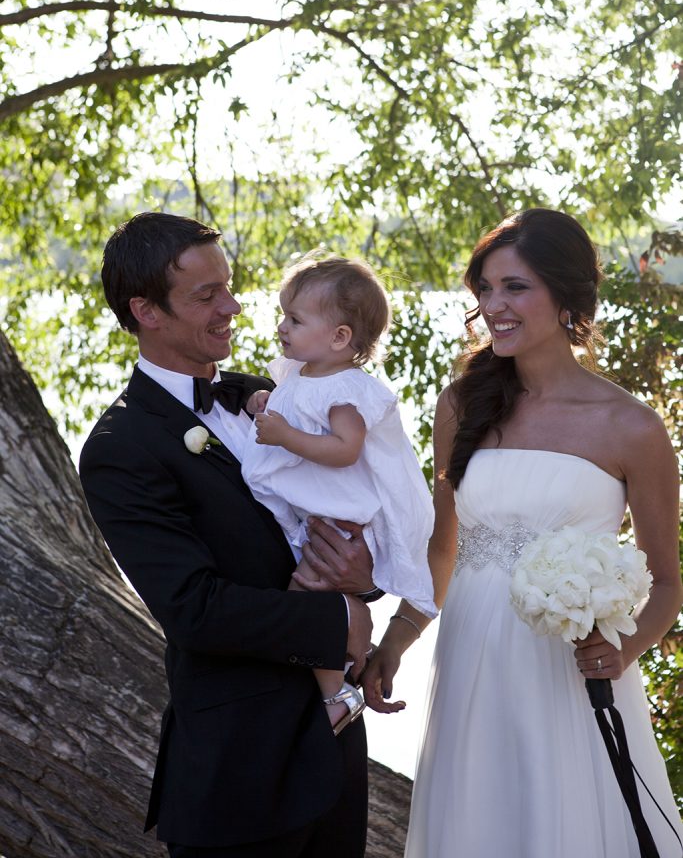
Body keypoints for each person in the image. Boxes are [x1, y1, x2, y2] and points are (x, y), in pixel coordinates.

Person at [362, 208, 683, 858]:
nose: (493, 306)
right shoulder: (460, 406)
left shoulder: (632, 428)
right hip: (469, 661)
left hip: (568, 671)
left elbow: (667, 583)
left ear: (566, 297)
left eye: (514, 287)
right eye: (484, 289)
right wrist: (396, 638)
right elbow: (444, 548)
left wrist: (623, 651)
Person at [79, 212, 378, 858]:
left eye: (230, 287)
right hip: (238, 774)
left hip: (335, 752)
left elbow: (349, 509)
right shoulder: (120, 447)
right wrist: (337, 620)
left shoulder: (276, 397)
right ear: (146, 311)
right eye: (206, 295)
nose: (233, 307)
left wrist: (365, 577)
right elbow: (194, 609)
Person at [240, 255, 436, 733]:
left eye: (295, 319)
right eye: (284, 316)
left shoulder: (346, 389)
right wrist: (265, 401)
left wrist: (286, 435)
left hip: (345, 516)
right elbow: (293, 408)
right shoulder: (300, 374)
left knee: (305, 594)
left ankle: (337, 693)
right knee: (308, 596)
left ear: (339, 337)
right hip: (323, 512)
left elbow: (346, 449)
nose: (281, 327)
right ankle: (346, 648)